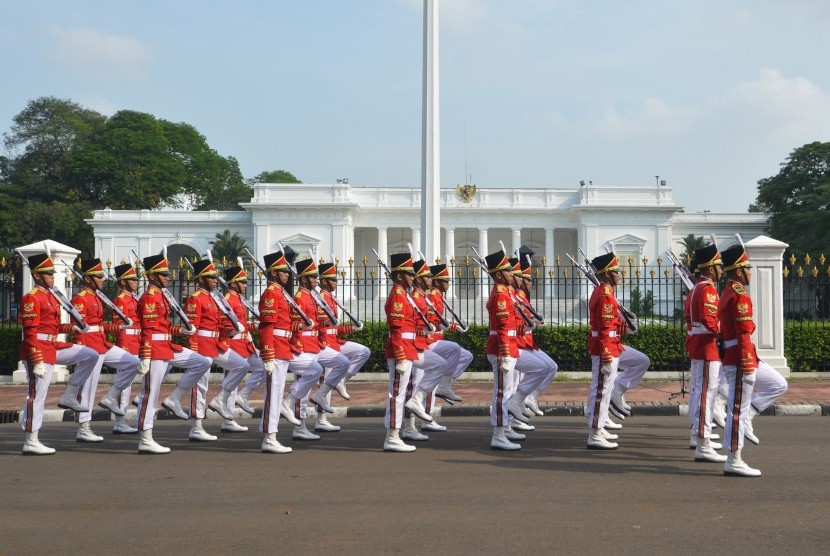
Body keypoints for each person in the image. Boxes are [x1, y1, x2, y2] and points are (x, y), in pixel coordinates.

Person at [19, 252, 99, 455]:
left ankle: (70, 394)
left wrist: (73, 329)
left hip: (54, 347)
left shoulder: (51, 296)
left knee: (90, 355)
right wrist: (36, 359)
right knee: (37, 395)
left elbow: (53, 328)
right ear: (37, 275)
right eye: (48, 273)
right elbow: (30, 333)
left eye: (53, 273)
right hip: (38, 351)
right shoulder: (32, 298)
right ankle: (31, 439)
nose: (53, 276)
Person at [719, 243, 787, 476]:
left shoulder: (730, 292)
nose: (750, 272)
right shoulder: (738, 295)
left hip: (742, 356)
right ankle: (734, 459)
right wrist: (748, 362)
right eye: (747, 267)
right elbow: (743, 332)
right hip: (741, 358)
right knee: (737, 408)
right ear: (738, 270)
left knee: (777, 384)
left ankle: (743, 431)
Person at [138, 253, 211, 454]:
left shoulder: (162, 295)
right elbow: (147, 329)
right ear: (152, 276)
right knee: (150, 394)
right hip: (154, 350)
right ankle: (146, 438)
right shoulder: (149, 298)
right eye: (162, 274)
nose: (167, 277)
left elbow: (164, 326)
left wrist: (181, 331)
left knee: (201, 363)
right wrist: (145, 355)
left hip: (167, 346)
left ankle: (176, 397)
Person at [69, 258, 141, 442]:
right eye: (98, 276)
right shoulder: (80, 298)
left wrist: (119, 328)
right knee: (88, 388)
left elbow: (100, 326)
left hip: (102, 344)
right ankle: (83, 427)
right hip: (89, 347)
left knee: (132, 363)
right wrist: (82, 352)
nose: (102, 279)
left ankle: (110, 397)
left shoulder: (98, 297)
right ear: (87, 279)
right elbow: (78, 327)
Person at [183, 258, 251, 441]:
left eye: (215, 276)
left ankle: (221, 400)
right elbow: (191, 329)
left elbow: (219, 325)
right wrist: (195, 351)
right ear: (202, 279)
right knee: (200, 387)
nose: (215, 280)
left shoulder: (214, 298)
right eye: (211, 277)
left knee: (241, 365)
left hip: (216, 345)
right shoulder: (195, 299)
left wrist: (233, 330)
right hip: (202, 347)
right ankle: (196, 427)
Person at [314, 261, 371, 432]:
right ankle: (321, 418)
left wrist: (351, 328)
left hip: (335, 341)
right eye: (332, 280)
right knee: (327, 379)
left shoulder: (331, 298)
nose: (335, 282)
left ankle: (343, 380)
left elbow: (334, 327)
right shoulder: (320, 298)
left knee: (363, 351)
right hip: (325, 343)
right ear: (324, 281)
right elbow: (320, 325)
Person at [585, 251, 634, 450]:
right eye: (615, 271)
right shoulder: (605, 294)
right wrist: (606, 354)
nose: (619, 275)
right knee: (601, 391)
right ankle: (594, 433)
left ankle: (600, 426)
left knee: (604, 391)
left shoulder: (606, 292)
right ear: (606, 274)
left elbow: (611, 325)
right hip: (605, 349)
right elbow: (605, 328)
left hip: (611, 346)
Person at [401, 259, 452, 441]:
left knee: (435, 373)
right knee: (412, 386)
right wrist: (431, 328)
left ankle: (421, 419)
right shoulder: (415, 297)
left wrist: (437, 326)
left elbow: (426, 322)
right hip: (416, 345)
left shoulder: (422, 297)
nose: (431, 279)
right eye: (428, 276)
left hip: (422, 344)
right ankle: (409, 426)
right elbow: (410, 325)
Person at [685, 244, 727, 463]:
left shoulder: (695, 288)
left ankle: (699, 436)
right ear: (710, 268)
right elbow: (711, 321)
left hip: (699, 345)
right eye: (719, 266)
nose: (721, 270)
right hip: (707, 347)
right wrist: (727, 332)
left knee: (701, 392)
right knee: (706, 394)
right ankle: (703, 442)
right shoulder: (707, 289)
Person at [421, 262, 472, 433]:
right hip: (430, 341)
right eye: (446, 281)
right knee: (455, 350)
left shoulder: (438, 296)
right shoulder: (433, 296)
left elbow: (439, 321)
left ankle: (446, 383)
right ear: (437, 282)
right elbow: (432, 321)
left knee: (466, 356)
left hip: (436, 339)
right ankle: (427, 418)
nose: (448, 284)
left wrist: (453, 326)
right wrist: (450, 326)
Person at [257, 250, 299, 453]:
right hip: (275, 348)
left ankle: (271, 435)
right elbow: (266, 327)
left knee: (276, 393)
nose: (288, 274)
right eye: (283, 271)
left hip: (283, 347)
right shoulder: (271, 294)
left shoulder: (280, 293)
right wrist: (267, 354)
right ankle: (269, 437)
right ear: (273, 273)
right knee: (272, 395)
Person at [285, 258, 330, 440]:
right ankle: (299, 425)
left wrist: (326, 322)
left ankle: (302, 424)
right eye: (313, 277)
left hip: (312, 345)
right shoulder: (299, 298)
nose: (316, 280)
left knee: (307, 386)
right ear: (303, 279)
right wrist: (298, 345)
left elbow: (315, 323)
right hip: (302, 346)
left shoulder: (310, 297)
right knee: (302, 390)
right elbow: (294, 325)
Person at [217, 262, 264, 432]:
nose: (245, 285)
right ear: (233, 283)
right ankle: (228, 419)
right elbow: (223, 325)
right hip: (234, 344)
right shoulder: (228, 300)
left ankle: (243, 397)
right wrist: (237, 329)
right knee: (232, 382)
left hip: (246, 344)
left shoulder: (238, 299)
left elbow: (241, 323)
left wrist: (252, 326)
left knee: (264, 366)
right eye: (242, 282)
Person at [484, 250, 522, 450]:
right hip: (502, 350)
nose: (512, 274)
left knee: (507, 391)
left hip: (509, 348)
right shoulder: (500, 295)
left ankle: (504, 427)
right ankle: (498, 434)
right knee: (502, 393)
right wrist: (506, 352)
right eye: (507, 271)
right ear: (498, 274)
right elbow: (503, 326)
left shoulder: (506, 292)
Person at [382, 252, 419, 452]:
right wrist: (400, 355)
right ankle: (392, 436)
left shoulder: (404, 294)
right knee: (396, 394)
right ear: (399, 276)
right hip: (401, 351)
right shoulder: (397, 295)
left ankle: (395, 434)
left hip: (408, 348)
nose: (413, 277)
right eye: (409, 274)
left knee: (401, 393)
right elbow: (395, 329)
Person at [514, 256, 558, 419]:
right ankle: (509, 422)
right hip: (517, 344)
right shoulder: (516, 297)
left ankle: (530, 398)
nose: (531, 283)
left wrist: (534, 322)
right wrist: (530, 323)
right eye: (528, 279)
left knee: (551, 367)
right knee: (510, 388)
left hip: (526, 343)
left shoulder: (523, 297)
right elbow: (513, 324)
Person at [107, 262, 143, 434]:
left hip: (138, 341)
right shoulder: (121, 300)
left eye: (136, 279)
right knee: (125, 385)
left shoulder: (134, 298)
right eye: (132, 280)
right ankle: (120, 421)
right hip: (128, 343)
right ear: (123, 282)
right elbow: (120, 326)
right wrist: (123, 348)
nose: (136, 282)